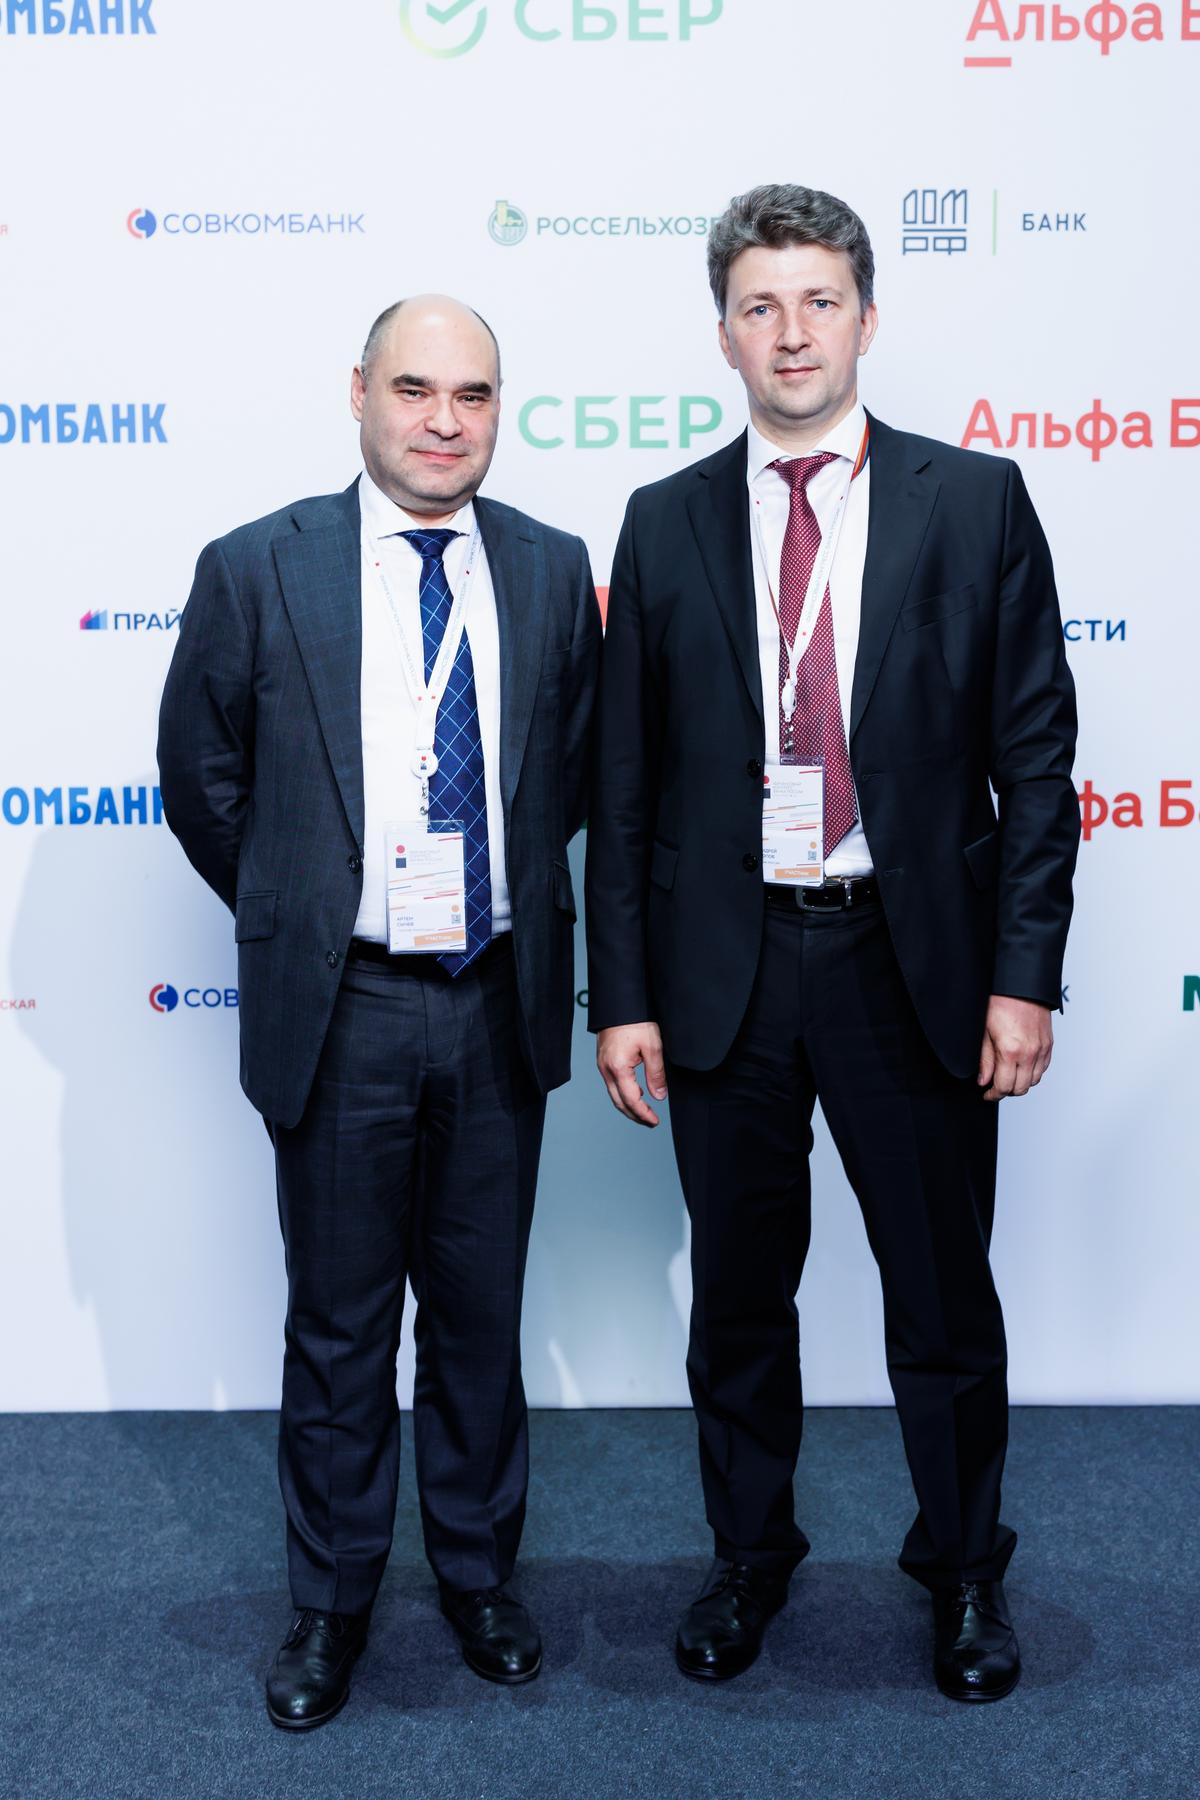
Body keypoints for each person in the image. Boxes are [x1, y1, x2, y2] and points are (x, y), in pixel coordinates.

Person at [585, 185, 1078, 1703]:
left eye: (818, 301)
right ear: (723, 334)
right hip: (726, 971)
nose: (790, 333)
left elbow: (1036, 763)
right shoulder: (663, 520)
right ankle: (751, 1555)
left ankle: (964, 1569)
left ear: (869, 318)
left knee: (941, 1297)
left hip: (906, 964)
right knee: (741, 1298)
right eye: (760, 305)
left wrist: (1023, 974)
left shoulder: (975, 501)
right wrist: (622, 998)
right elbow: (624, 790)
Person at [158, 295, 600, 1729]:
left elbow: (574, 775)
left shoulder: (551, 569)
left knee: (478, 1318)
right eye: (414, 389)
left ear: (497, 410)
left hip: (494, 998)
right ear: (359, 392)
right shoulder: (258, 565)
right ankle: (332, 1601)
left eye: (471, 395)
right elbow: (200, 776)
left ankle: (477, 1575)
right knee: (341, 1327)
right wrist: (303, 903)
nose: (442, 421)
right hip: (341, 1005)